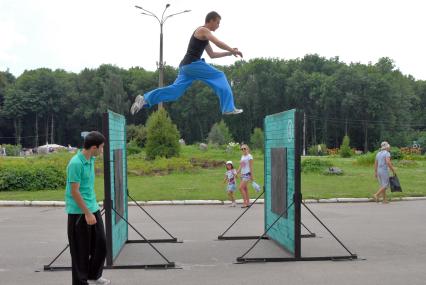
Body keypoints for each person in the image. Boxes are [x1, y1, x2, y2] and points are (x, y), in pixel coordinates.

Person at [130, 11, 243, 115]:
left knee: (175, 92)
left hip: (186, 67)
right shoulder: (203, 30)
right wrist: (232, 50)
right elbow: (218, 42)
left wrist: (228, 53)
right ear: (211, 20)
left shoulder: (204, 36)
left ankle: (144, 99)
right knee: (219, 75)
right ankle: (228, 108)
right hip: (193, 64)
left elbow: (212, 55)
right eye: (218, 22)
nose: (218, 25)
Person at [65, 131, 110, 285]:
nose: (102, 150)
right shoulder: (76, 163)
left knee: (101, 244)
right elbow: (75, 191)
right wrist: (87, 213)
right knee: (80, 251)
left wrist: (94, 206)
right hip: (79, 212)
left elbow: (87, 187)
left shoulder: (90, 159)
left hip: (92, 208)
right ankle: (80, 282)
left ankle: (94, 275)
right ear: (93, 147)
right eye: (102, 148)